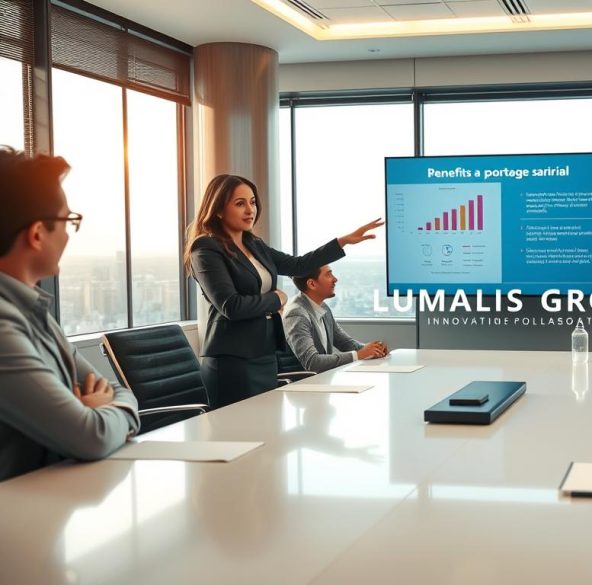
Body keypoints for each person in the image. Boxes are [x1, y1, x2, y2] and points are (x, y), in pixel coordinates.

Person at [0, 146, 140, 482]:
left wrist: (104, 411)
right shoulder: (4, 326)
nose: (67, 234)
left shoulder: (35, 311)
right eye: (67, 221)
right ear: (36, 234)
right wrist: (99, 415)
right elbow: (89, 437)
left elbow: (122, 393)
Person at [184, 174, 383, 408]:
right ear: (218, 209)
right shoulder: (205, 248)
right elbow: (231, 306)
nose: (250, 210)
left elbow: (298, 265)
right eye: (240, 204)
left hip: (265, 355)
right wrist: (275, 298)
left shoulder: (254, 244)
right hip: (232, 361)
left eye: (253, 202)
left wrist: (342, 242)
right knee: (242, 434)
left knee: (267, 433)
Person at [283, 264, 388, 372]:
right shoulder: (296, 314)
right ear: (312, 284)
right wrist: (358, 355)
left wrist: (374, 349)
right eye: (328, 275)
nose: (335, 279)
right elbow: (312, 362)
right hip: (303, 384)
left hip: (322, 381)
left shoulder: (323, 307)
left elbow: (346, 343)